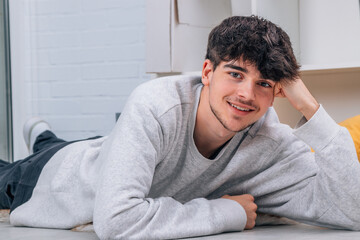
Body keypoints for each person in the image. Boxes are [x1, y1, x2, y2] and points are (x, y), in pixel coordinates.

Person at [1, 16, 360, 239]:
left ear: (279, 92)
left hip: (107, 149)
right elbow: (117, 221)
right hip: (53, 178)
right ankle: (43, 140)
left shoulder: (271, 143)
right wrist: (226, 213)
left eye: (264, 83)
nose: (246, 94)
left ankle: (42, 134)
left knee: (85, 144)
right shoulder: (154, 104)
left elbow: (353, 212)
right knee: (26, 165)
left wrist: (310, 109)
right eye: (235, 74)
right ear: (207, 72)